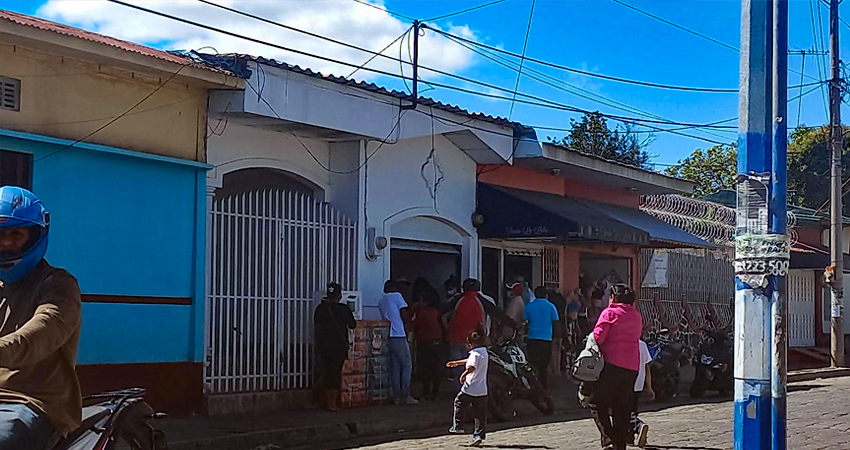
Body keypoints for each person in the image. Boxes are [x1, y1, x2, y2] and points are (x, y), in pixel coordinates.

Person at [0, 186, 82, 450]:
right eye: (0, 234)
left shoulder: (58, 285)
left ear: (35, 235)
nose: (6, 242)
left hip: (32, 402)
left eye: (16, 234)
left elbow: (40, 333)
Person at [592, 284, 643, 450]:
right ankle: (620, 445)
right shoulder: (636, 316)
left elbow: (598, 338)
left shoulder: (609, 313)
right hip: (632, 368)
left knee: (596, 402)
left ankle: (609, 439)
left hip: (611, 366)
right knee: (622, 408)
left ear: (613, 297)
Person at [442, 279, 515, 389]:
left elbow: (441, 311)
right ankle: (473, 391)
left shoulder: (457, 300)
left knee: (458, 369)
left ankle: (460, 391)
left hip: (455, 338)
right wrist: (514, 325)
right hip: (475, 342)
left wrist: (446, 329)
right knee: (475, 367)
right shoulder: (481, 300)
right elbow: (498, 314)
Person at [313, 282, 357, 411]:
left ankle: (322, 401)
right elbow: (352, 325)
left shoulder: (320, 308)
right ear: (340, 295)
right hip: (338, 346)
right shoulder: (344, 309)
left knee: (325, 372)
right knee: (334, 374)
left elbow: (317, 324)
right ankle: (332, 403)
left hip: (323, 346)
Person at [446, 323, 489, 448]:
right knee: (480, 414)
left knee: (459, 402)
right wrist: (457, 363)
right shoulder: (484, 353)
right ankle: (478, 435)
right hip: (482, 391)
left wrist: (463, 374)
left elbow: (471, 366)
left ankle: (458, 426)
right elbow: (470, 360)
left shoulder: (475, 354)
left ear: (470, 344)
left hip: (470, 388)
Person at [379, 280, 419, 405]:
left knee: (395, 367)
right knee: (407, 365)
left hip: (388, 336)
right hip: (399, 334)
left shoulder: (381, 300)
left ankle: (397, 396)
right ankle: (405, 395)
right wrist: (410, 324)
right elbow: (403, 313)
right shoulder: (396, 296)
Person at [411, 283, 444, 401]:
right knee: (435, 368)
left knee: (425, 368)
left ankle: (426, 392)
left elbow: (412, 324)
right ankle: (435, 392)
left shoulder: (419, 313)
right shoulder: (436, 312)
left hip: (424, 342)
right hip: (437, 341)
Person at [523, 286, 560, 389]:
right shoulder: (551, 306)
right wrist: (558, 338)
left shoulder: (529, 306)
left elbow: (525, 322)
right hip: (546, 340)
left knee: (532, 364)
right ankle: (543, 387)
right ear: (546, 295)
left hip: (533, 339)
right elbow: (556, 323)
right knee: (543, 366)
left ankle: (532, 386)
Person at [631, 338, 655, 448]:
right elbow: (647, 368)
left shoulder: (622, 343)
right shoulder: (642, 344)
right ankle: (629, 437)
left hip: (625, 383)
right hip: (639, 384)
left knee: (624, 412)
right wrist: (649, 387)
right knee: (632, 410)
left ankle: (639, 426)